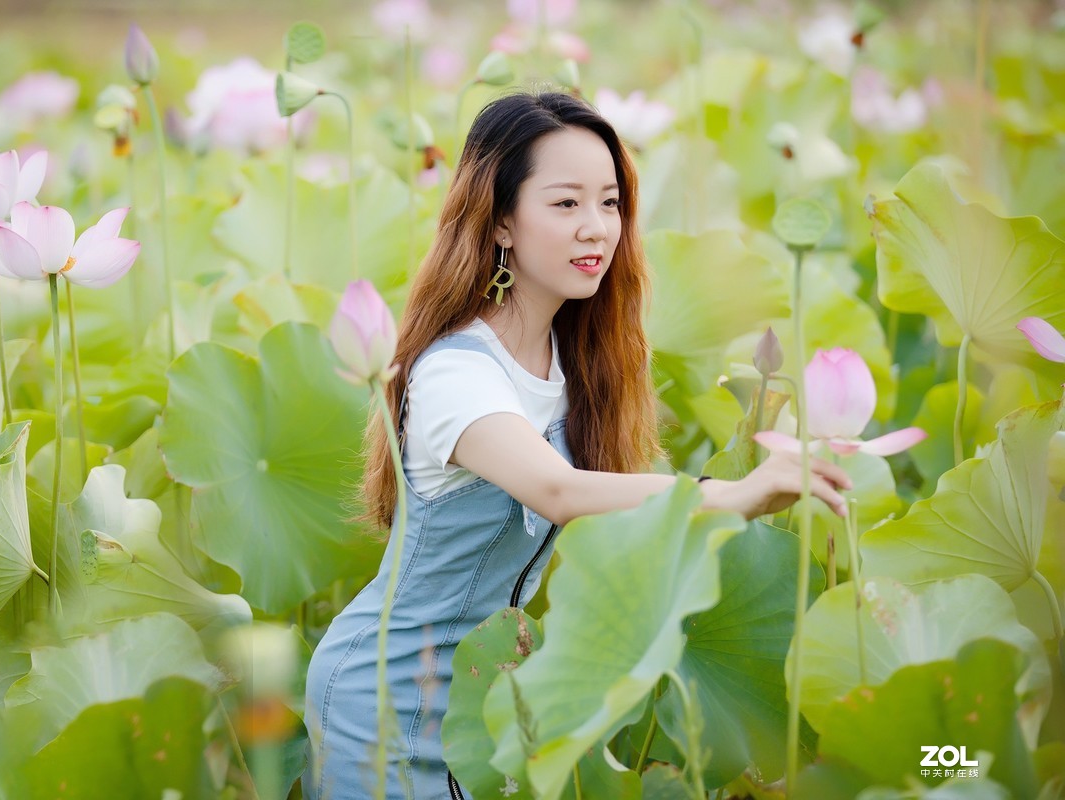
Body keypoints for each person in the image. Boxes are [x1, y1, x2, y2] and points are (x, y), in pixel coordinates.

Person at [302, 91, 852, 800]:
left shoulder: (574, 364)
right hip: (381, 696)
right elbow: (556, 491)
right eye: (566, 205)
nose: (596, 229)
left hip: (484, 701)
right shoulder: (455, 372)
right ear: (501, 221)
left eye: (611, 203)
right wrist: (728, 495)